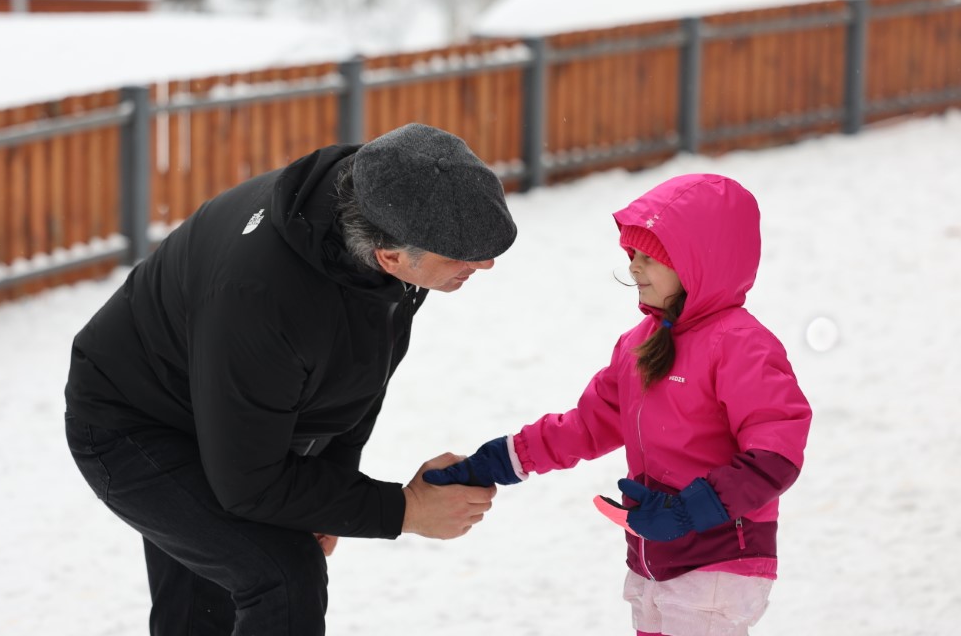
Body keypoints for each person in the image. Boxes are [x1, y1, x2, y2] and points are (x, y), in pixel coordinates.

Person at [64, 122, 517, 635]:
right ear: (389, 257)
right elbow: (249, 485)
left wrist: (333, 495)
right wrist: (403, 510)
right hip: (136, 420)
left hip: (235, 402)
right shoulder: (265, 299)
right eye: (463, 256)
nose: (485, 263)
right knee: (280, 575)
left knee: (208, 603)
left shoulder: (385, 206)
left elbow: (360, 374)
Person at [424, 173, 812, 636]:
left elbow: (776, 456)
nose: (633, 268)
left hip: (719, 556)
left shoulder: (740, 346)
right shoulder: (639, 346)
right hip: (652, 552)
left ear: (698, 263)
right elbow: (586, 426)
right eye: (632, 255)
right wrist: (498, 461)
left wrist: (689, 511)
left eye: (649, 258)